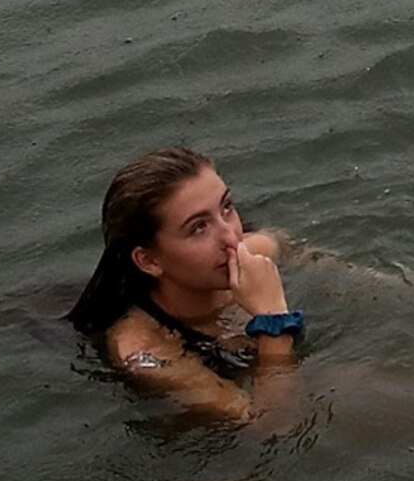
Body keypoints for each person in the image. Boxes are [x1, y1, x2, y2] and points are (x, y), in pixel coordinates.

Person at [67, 145, 309, 423]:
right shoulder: (145, 351)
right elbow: (274, 427)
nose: (232, 238)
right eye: (198, 228)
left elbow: (318, 263)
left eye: (227, 207)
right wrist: (273, 319)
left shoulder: (255, 252)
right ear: (148, 261)